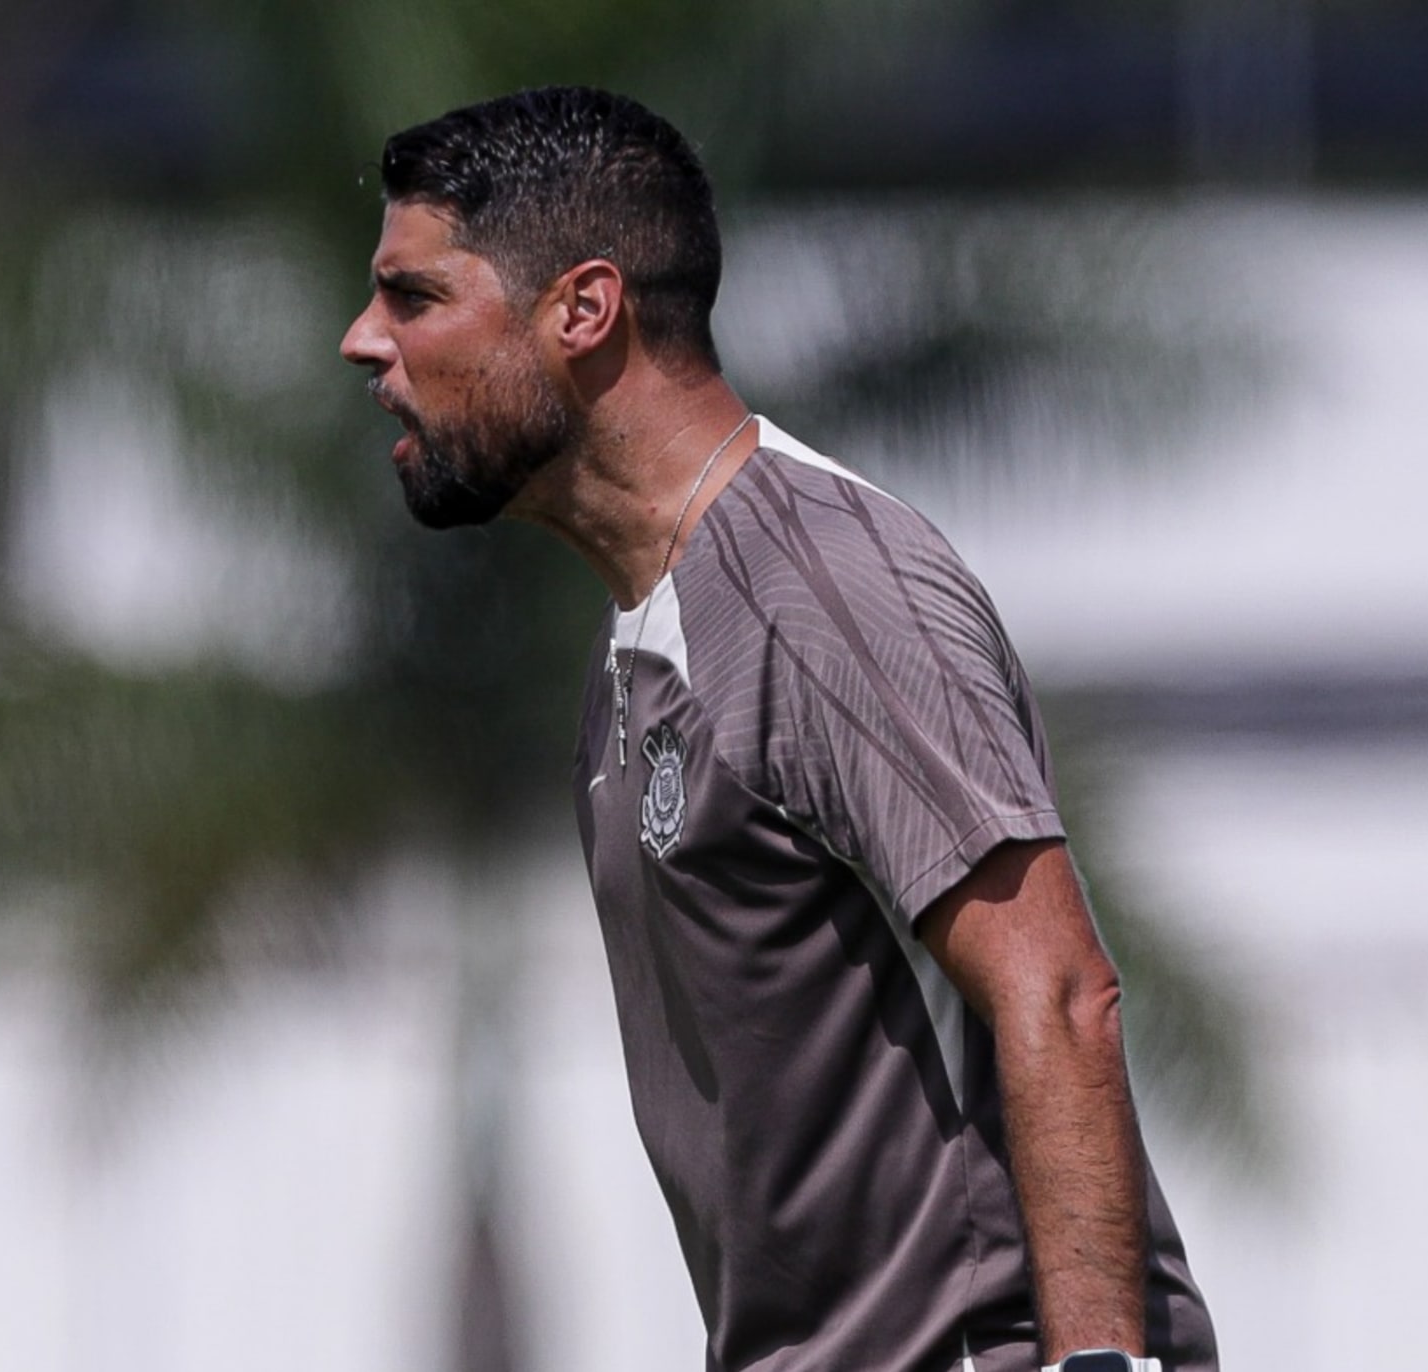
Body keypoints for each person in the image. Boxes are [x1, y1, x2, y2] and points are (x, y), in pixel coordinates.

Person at [339, 86, 1218, 1372]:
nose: (365, 341)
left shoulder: (817, 586)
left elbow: (1061, 987)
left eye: (413, 297)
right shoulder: (644, 632)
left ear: (581, 311)